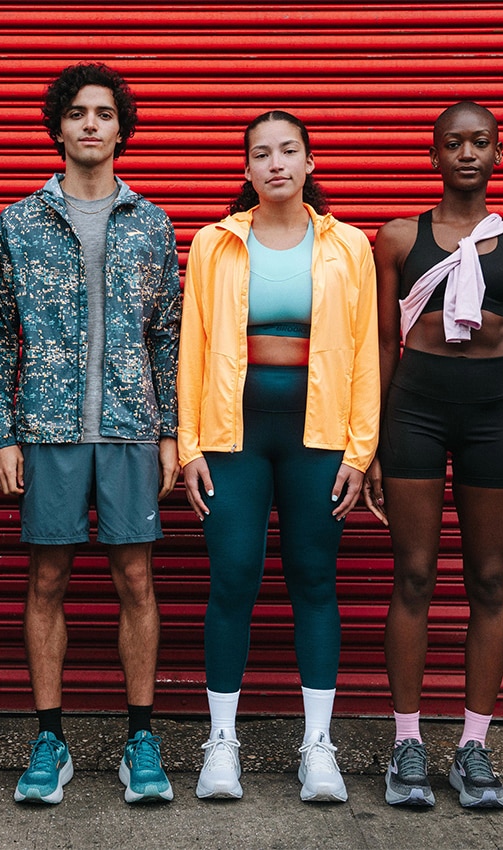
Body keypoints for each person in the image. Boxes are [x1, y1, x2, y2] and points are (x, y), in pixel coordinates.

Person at [0, 62, 181, 805]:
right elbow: (1, 335)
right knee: (47, 580)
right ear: (58, 127)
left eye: (104, 113)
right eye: (78, 113)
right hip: (49, 429)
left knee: (136, 579)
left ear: (121, 129)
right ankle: (50, 741)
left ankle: (140, 739)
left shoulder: (152, 223)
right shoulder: (20, 222)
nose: (91, 124)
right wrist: (2, 433)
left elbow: (168, 338)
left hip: (131, 429)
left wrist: (172, 433)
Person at [177, 110, 379, 802]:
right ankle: (221, 744)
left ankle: (317, 748)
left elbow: (364, 355)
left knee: (313, 579)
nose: (276, 164)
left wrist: (360, 450)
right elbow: (193, 348)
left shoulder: (349, 246)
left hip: (317, 438)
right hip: (233, 438)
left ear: (310, 162)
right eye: (261, 154)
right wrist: (190, 443)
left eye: (288, 151)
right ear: (247, 169)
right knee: (233, 578)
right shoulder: (213, 244)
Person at [363, 101, 503, 809]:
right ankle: (407, 743)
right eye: (453, 143)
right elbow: (382, 343)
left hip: (494, 416)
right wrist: (370, 443)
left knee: (491, 579)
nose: (467, 153)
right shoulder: (400, 238)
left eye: (481, 143)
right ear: (433, 155)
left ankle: (473, 747)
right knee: (413, 574)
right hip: (416, 410)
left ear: (499, 154)